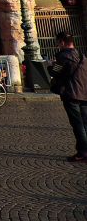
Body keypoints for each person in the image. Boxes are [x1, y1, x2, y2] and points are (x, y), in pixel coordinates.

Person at [49, 32, 87, 162]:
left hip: (72, 93)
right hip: (84, 93)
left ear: (62, 42)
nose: (57, 45)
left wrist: (50, 66)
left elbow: (56, 72)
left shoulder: (63, 57)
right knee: (85, 123)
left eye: (58, 42)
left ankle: (83, 152)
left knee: (77, 124)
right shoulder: (81, 55)